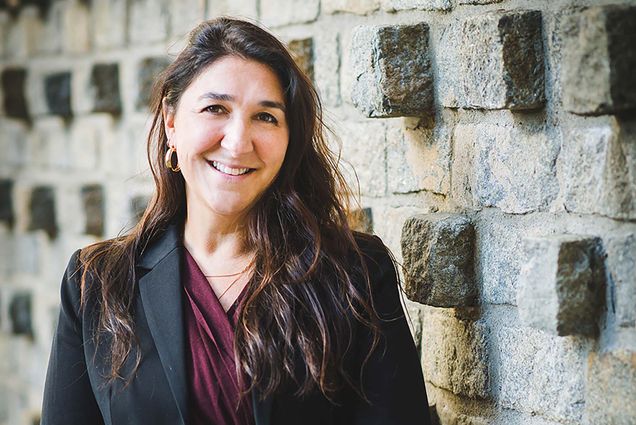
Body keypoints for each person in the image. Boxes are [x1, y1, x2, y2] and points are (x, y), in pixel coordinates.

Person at [41, 17, 431, 425]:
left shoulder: (355, 273)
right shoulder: (96, 284)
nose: (238, 141)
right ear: (171, 124)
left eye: (266, 117)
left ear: (288, 139)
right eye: (215, 109)